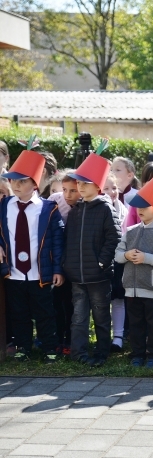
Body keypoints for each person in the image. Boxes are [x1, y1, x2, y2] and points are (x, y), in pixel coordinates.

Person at [0, 148, 64, 362]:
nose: (16, 185)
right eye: (13, 181)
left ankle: (49, 348)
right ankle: (23, 347)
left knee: (45, 312)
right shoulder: (4, 206)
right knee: (19, 313)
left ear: (35, 184)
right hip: (15, 273)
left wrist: (57, 269)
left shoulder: (48, 208)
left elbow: (57, 241)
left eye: (22, 181)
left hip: (40, 272)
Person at [63, 150, 122, 367]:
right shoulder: (75, 210)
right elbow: (68, 239)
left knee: (100, 317)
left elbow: (114, 238)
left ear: (97, 186)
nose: (80, 187)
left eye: (85, 183)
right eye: (79, 183)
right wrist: (68, 264)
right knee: (78, 317)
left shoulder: (106, 209)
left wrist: (102, 262)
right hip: (77, 276)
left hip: (98, 276)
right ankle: (78, 353)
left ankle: (101, 353)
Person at [115, 177, 153, 368]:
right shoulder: (130, 231)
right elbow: (117, 255)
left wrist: (146, 258)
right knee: (136, 324)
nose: (140, 210)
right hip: (131, 289)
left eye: (145, 206)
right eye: (138, 207)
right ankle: (137, 353)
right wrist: (126, 254)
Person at [48, 172, 80, 356]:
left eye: (73, 191)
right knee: (57, 303)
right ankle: (58, 339)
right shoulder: (55, 200)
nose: (67, 195)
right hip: (58, 261)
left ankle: (70, 339)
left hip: (76, 262)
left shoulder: (85, 205)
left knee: (73, 305)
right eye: (65, 190)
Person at [103, 174, 129, 353]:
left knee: (119, 299)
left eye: (114, 188)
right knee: (101, 300)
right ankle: (103, 336)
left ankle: (118, 337)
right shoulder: (95, 209)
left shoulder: (125, 211)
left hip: (119, 261)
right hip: (101, 261)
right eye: (106, 188)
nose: (111, 192)